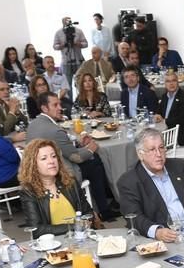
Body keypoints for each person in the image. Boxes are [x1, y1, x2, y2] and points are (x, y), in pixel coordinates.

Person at [25, 92, 119, 221]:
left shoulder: (33, 124)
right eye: (55, 105)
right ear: (44, 108)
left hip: (37, 172)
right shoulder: (54, 130)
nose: (60, 108)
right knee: (96, 162)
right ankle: (105, 210)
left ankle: (102, 207)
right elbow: (76, 158)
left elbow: (62, 148)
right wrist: (91, 149)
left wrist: (79, 144)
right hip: (58, 174)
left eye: (60, 104)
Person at [117, 128, 184, 241]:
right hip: (161, 240)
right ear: (140, 155)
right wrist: (156, 231)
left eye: (161, 148)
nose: (158, 154)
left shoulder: (180, 166)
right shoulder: (129, 181)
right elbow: (133, 217)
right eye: (152, 150)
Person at [18, 138, 92, 237]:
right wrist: (75, 226)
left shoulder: (70, 181)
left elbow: (87, 212)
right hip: (54, 245)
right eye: (44, 158)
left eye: (53, 156)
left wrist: (85, 223)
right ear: (32, 165)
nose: (51, 161)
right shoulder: (29, 192)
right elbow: (37, 230)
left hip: (82, 237)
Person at [155, 72, 184, 145]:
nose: (171, 84)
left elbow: (182, 119)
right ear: (165, 84)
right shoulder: (164, 96)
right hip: (166, 130)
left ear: (178, 82)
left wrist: (165, 121)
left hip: (180, 133)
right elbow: (159, 111)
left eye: (174, 80)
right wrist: (157, 115)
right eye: (168, 81)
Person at [52, 16, 88, 86]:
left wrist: (79, 44)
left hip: (78, 60)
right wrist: (61, 46)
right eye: (65, 21)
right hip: (66, 61)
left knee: (81, 83)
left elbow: (86, 44)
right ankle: (69, 97)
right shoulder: (58, 33)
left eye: (68, 21)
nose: (67, 23)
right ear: (62, 23)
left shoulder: (78, 31)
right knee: (67, 84)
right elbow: (54, 46)